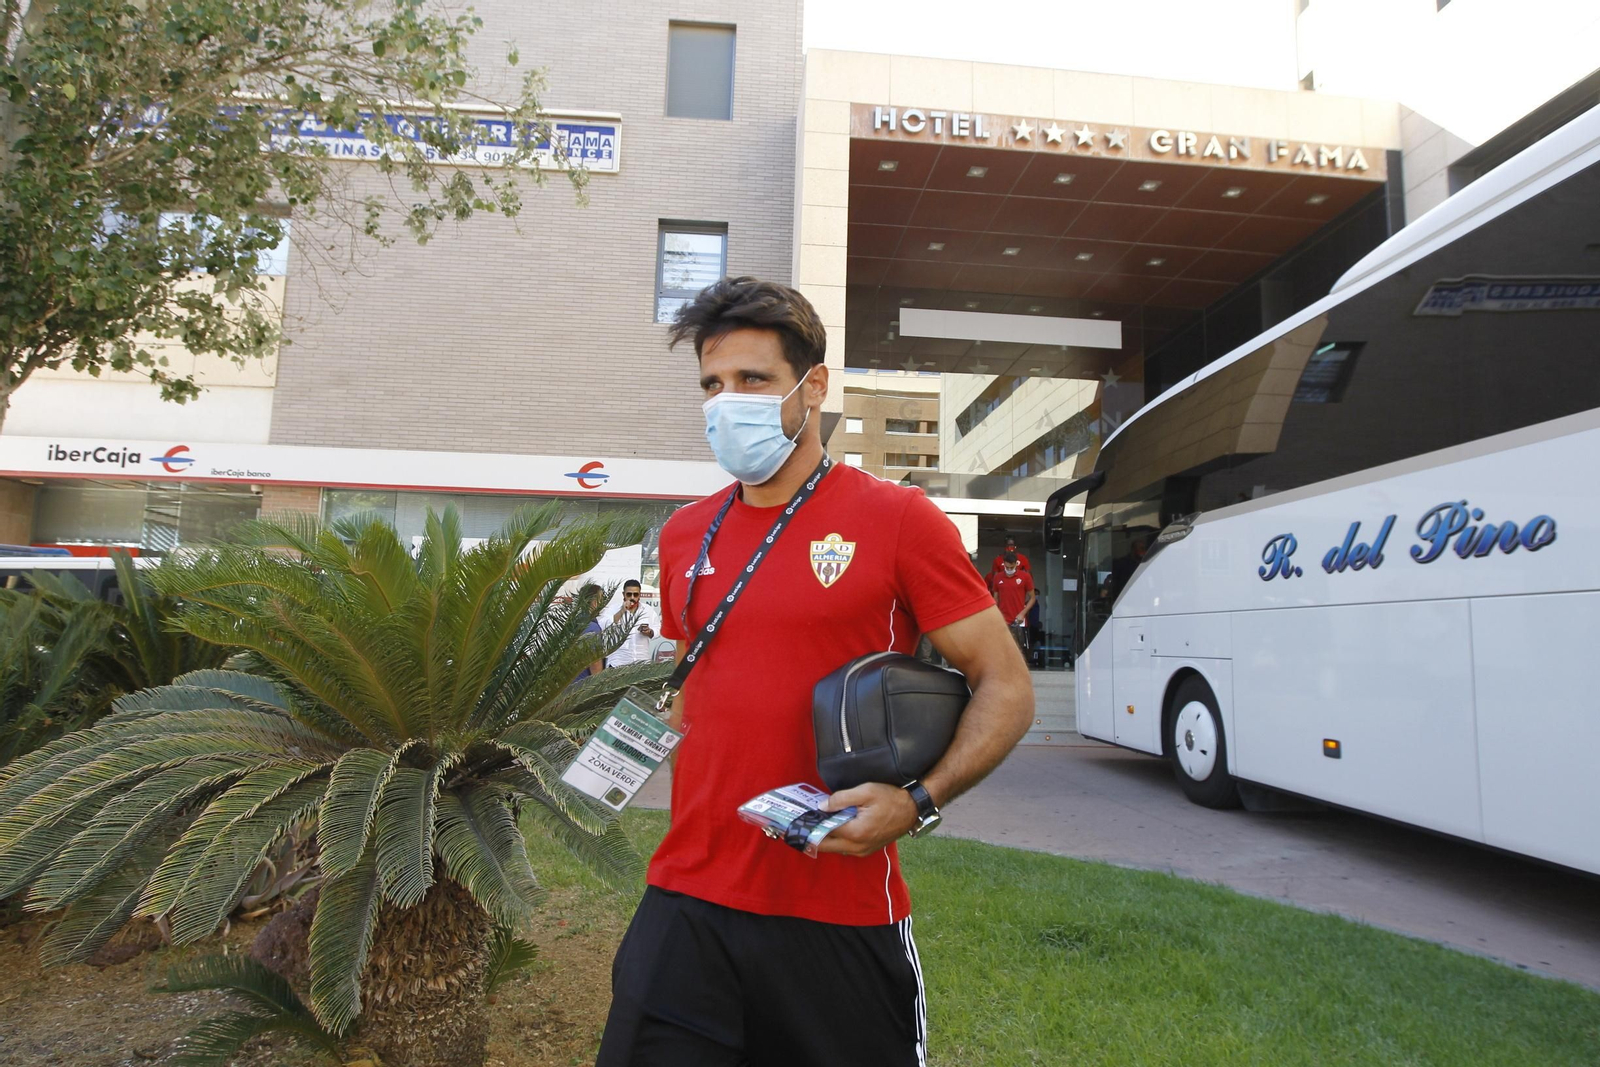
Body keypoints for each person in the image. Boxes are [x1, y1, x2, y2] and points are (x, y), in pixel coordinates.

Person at [596, 276, 1034, 1067]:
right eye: (712, 384)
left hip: (837, 907)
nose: (727, 402)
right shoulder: (684, 534)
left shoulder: (899, 519)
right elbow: (691, 688)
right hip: (686, 899)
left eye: (753, 380)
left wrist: (918, 803)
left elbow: (1006, 684)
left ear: (814, 387)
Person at [604, 578, 657, 668]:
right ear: (623, 594)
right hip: (618, 663)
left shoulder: (648, 610)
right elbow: (606, 625)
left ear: (639, 595)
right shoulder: (613, 609)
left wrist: (650, 632)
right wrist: (622, 610)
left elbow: (657, 627)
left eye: (635, 594)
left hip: (642, 661)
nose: (632, 597)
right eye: (629, 594)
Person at [991, 552, 1036, 654]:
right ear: (1004, 564)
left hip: (1018, 620)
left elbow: (1032, 598)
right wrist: (995, 615)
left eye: (1011, 567)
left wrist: (1022, 613)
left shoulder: (1025, 577)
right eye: (1007, 567)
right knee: (1002, 650)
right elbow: (995, 598)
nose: (1009, 570)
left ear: (1016, 564)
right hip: (1003, 619)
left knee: (1019, 650)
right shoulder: (998, 577)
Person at [574, 583, 606, 682]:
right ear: (594, 602)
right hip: (583, 686)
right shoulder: (592, 627)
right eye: (601, 599)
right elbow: (594, 662)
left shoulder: (574, 622)